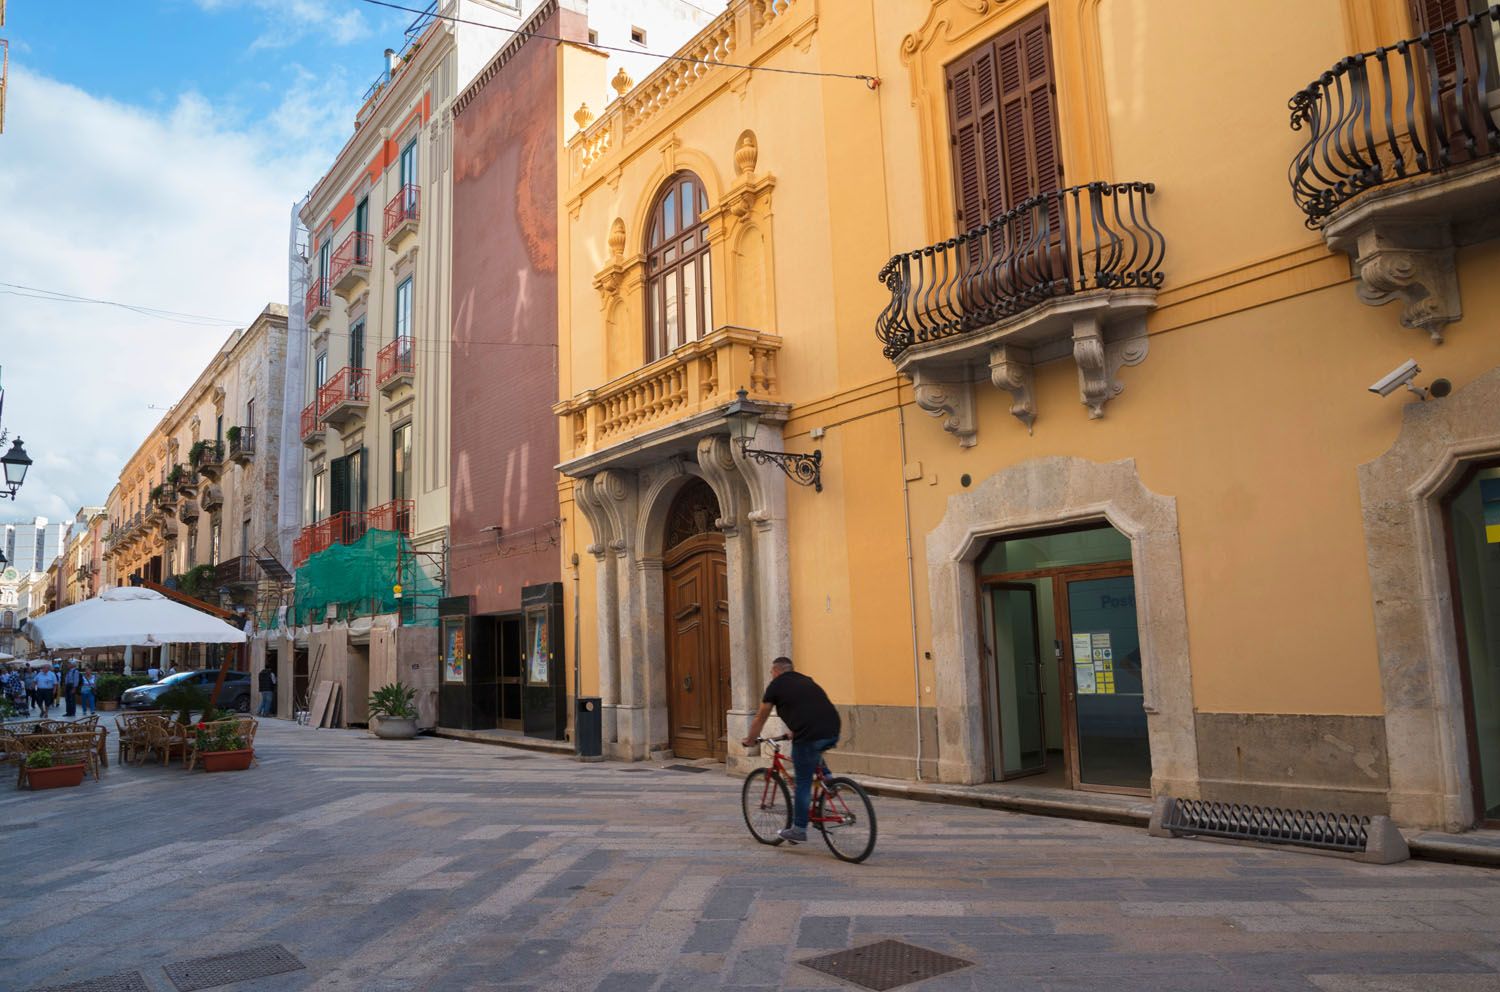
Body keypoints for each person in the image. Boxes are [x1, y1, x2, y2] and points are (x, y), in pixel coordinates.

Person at [741, 656, 842, 844]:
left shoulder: (776, 685)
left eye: (772, 673)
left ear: (777, 671)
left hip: (809, 733)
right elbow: (809, 708)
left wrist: (750, 739)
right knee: (812, 752)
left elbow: (760, 717)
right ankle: (827, 778)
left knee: (803, 781)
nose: (772, 676)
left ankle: (798, 829)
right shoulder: (806, 680)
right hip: (832, 728)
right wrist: (794, 731)